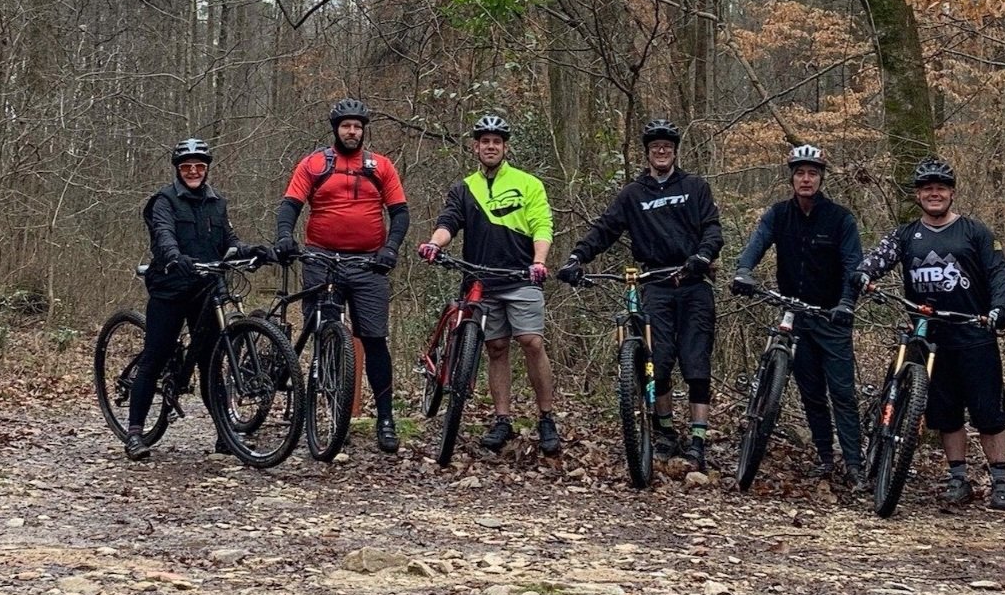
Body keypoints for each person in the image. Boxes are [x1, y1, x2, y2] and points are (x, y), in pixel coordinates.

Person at [557, 119, 723, 472]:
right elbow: (606, 228)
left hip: (693, 283)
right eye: (654, 147)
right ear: (647, 153)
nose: (661, 152)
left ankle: (697, 441)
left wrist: (703, 255)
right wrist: (577, 258)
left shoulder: (694, 187)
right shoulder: (633, 194)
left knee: (696, 364)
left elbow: (712, 227)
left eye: (667, 146)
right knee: (658, 363)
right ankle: (664, 433)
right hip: (655, 285)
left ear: (675, 151)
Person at [851, 156, 1005, 510]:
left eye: (940, 188)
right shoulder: (906, 235)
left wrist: (1000, 309)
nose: (934, 194)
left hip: (974, 333)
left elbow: (999, 273)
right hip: (929, 338)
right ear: (918, 196)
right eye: (927, 189)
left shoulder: (976, 232)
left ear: (952, 193)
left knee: (988, 413)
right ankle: (958, 478)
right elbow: (879, 257)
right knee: (946, 413)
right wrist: (865, 273)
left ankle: (1000, 480)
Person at [416, 115, 561, 457]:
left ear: (505, 147)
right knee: (496, 348)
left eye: (497, 141)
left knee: (531, 341)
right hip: (480, 280)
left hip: (520, 276)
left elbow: (542, 225)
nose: (491, 146)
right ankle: (502, 420)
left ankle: (546, 417)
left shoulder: (528, 184)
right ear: (476, 147)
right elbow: (448, 222)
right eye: (485, 141)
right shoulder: (464, 188)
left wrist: (539, 261)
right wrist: (435, 244)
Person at [275, 98, 410, 453]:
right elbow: (290, 205)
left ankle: (385, 419)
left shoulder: (380, 166)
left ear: (364, 130)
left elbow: (399, 213)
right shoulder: (315, 163)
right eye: (346, 126)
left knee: (376, 339)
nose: (352, 132)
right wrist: (285, 238)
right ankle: (331, 415)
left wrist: (391, 248)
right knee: (326, 334)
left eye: (357, 126)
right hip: (320, 259)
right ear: (335, 129)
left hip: (369, 264)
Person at [126, 138, 274, 461]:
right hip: (172, 288)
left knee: (210, 364)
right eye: (187, 167)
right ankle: (135, 432)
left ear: (206, 170)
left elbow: (230, 242)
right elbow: (162, 234)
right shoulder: (163, 201)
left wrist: (254, 251)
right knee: (155, 355)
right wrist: (174, 255)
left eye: (199, 167)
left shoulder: (217, 202)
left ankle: (225, 435)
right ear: (178, 170)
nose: (193, 172)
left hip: (207, 290)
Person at [731, 145, 866, 487]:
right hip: (794, 311)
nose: (806, 179)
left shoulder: (840, 218)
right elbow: (757, 244)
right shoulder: (778, 214)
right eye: (800, 173)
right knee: (811, 391)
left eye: (813, 174)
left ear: (821, 179)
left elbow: (853, 264)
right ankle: (824, 457)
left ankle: (854, 464)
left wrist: (847, 302)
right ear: (791, 177)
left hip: (831, 314)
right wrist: (744, 272)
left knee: (843, 392)